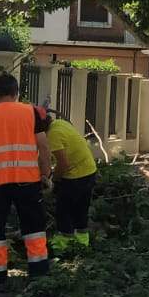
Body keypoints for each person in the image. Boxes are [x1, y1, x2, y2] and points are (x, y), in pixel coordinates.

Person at [0, 73, 53, 290]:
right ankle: (38, 274)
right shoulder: (31, 112)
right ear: (17, 92)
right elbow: (43, 146)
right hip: (27, 180)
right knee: (33, 227)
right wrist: (46, 174)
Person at [45, 107, 98, 252]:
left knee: (63, 210)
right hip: (89, 170)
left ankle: (64, 243)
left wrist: (54, 180)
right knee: (81, 209)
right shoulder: (60, 124)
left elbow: (63, 164)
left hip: (76, 176)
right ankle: (82, 243)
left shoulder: (52, 135)